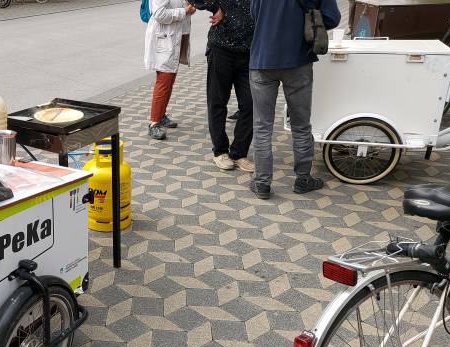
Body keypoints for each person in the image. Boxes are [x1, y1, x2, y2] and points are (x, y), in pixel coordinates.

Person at [248, 0, 340, 199]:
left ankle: (262, 183)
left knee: (262, 126)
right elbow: (332, 18)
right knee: (301, 125)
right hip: (298, 60)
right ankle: (303, 179)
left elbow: (254, 15)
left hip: (262, 59)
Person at [189, 0, 254, 172]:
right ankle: (220, 151)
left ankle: (239, 153)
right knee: (217, 102)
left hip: (249, 52)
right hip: (221, 48)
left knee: (251, 104)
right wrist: (215, 7)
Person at [144, 0, 195, 140]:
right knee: (164, 81)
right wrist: (185, 11)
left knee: (169, 81)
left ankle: (161, 115)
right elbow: (159, 14)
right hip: (165, 38)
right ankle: (153, 123)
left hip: (176, 36)